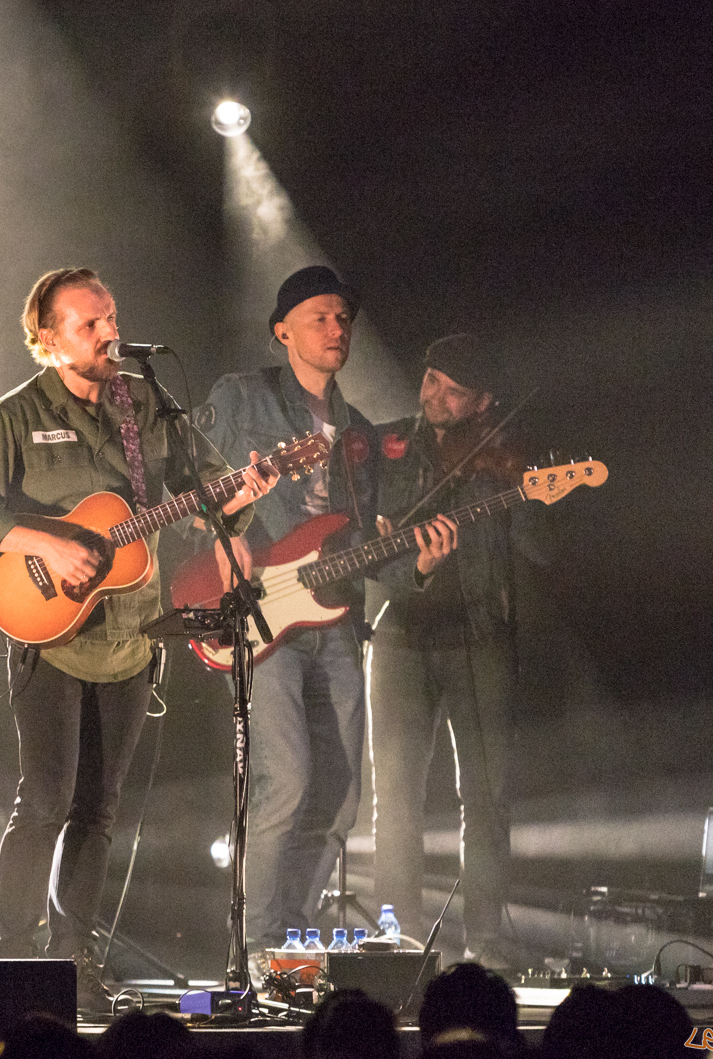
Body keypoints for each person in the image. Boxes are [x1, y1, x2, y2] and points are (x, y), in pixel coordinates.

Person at [0, 267, 276, 1011]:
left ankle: (72, 961)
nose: (108, 333)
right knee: (45, 802)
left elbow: (211, 491)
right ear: (48, 339)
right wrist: (46, 544)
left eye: (112, 318)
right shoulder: (14, 416)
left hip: (131, 643)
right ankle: (11, 960)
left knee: (97, 812)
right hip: (50, 639)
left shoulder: (146, 406)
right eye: (89, 324)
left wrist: (244, 493)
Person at [197, 266, 456, 967]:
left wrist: (418, 563)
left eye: (344, 319)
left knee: (340, 798)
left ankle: (289, 941)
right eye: (321, 317)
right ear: (282, 331)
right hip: (261, 612)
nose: (338, 329)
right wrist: (222, 536)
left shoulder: (360, 433)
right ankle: (254, 945)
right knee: (286, 779)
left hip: (337, 621)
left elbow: (365, 545)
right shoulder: (242, 396)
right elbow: (185, 481)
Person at [366, 332, 541, 963]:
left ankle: (485, 942)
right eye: (430, 379)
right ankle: (398, 940)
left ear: (485, 401)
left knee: (486, 799)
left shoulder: (503, 454)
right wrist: (417, 567)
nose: (434, 395)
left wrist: (525, 488)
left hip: (480, 634)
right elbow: (367, 550)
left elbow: (543, 551)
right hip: (400, 634)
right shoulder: (386, 446)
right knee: (394, 801)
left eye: (454, 390)